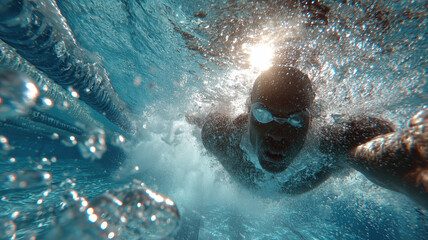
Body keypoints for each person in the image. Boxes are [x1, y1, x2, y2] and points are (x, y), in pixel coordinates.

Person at [191, 65, 427, 209]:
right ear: (248, 111)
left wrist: (414, 165)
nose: (277, 134)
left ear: (312, 120)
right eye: (263, 114)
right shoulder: (220, 136)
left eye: (296, 120)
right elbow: (201, 118)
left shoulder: (334, 142)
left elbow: (386, 153)